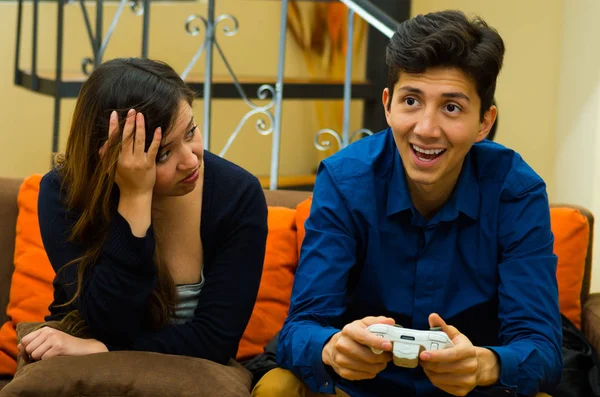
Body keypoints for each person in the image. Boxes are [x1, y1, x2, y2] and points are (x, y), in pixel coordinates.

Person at [254, 9, 562, 397]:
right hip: (358, 388)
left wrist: (485, 364)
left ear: (484, 121)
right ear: (387, 104)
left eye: (451, 107)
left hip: (469, 391)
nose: (426, 129)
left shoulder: (516, 191)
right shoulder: (345, 180)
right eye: (411, 101)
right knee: (276, 387)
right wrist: (333, 348)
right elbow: (301, 326)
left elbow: (542, 348)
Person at [18, 58, 268, 370]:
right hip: (78, 360)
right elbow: (110, 320)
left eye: (190, 132)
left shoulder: (237, 194)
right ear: (110, 158)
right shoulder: (63, 193)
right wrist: (135, 198)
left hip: (185, 368)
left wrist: (100, 349)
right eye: (163, 153)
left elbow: (216, 340)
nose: (190, 161)